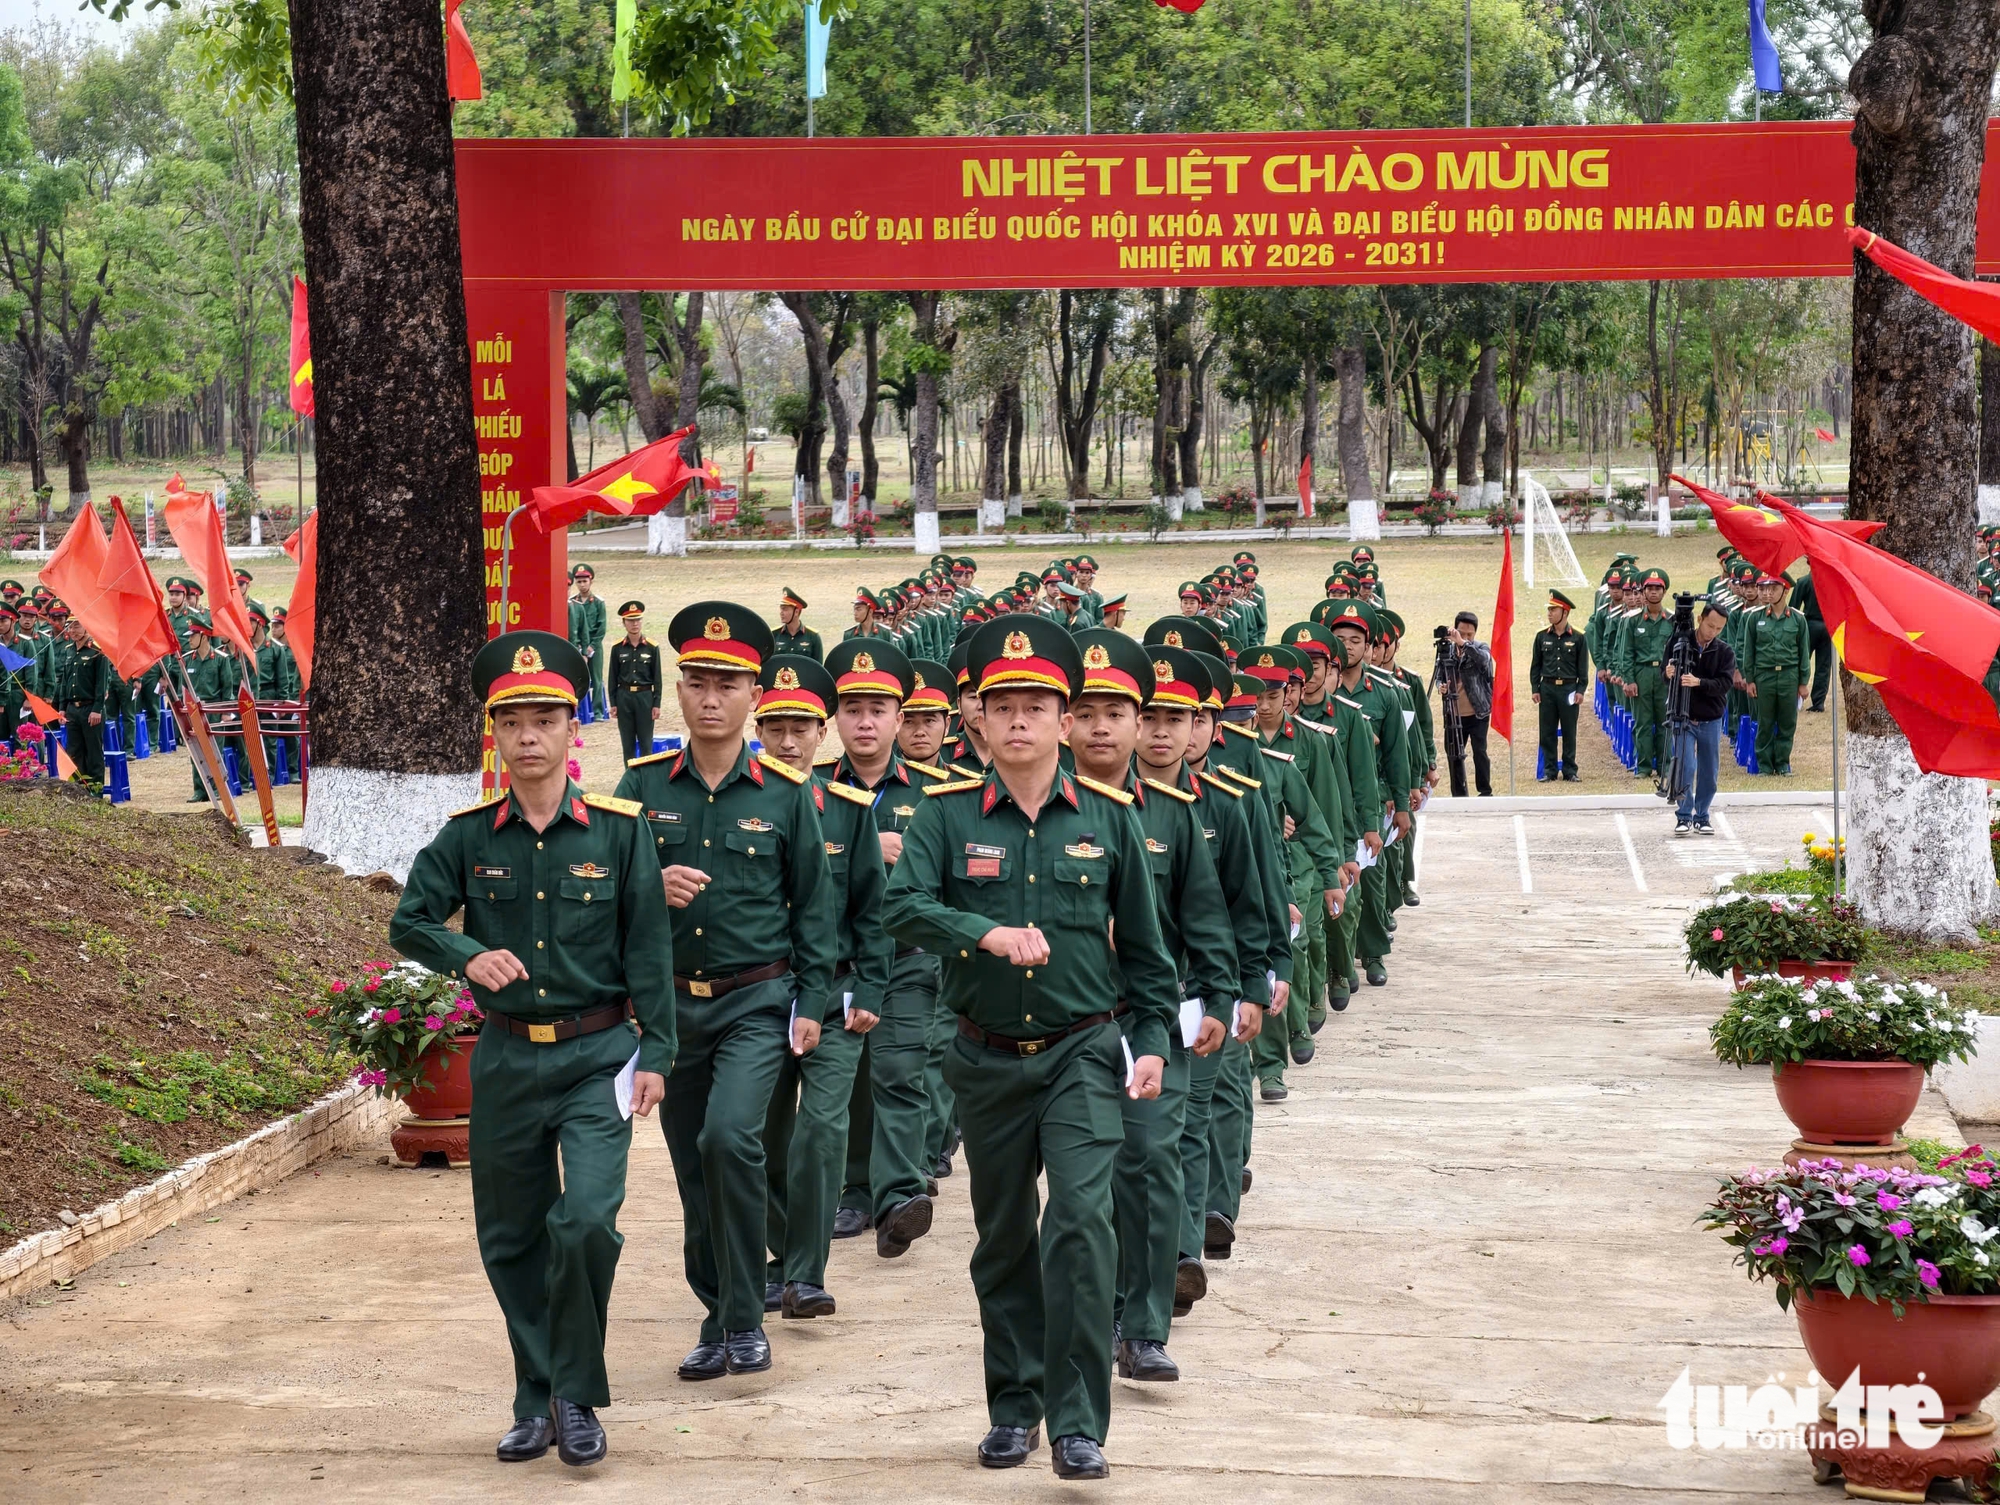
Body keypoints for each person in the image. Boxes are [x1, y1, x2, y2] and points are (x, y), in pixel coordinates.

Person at [881, 613, 1180, 1481]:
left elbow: (1149, 955)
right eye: (1001, 704)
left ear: (1062, 716)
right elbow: (899, 908)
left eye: (1036, 704)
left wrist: (1152, 1039)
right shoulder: (941, 818)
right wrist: (983, 932)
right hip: (983, 1057)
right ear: (975, 718)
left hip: (1084, 1052)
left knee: (1081, 1227)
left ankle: (1078, 1421)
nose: (1018, 719)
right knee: (1004, 1237)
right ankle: (1013, 1406)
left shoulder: (1114, 819)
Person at [388, 629, 676, 1470]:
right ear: (495, 732)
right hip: (508, 1059)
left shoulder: (621, 834)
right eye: (511, 719)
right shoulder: (469, 836)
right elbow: (408, 919)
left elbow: (650, 947)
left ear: (571, 727)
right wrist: (464, 954)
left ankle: (577, 1393)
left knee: (586, 1220)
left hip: (598, 1056)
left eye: (545, 717)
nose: (527, 734)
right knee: (512, 1236)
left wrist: (656, 1050)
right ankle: (536, 1395)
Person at [615, 602, 837, 1382]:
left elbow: (815, 906)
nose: (711, 699)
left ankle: (746, 1317)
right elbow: (598, 887)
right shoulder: (641, 786)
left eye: (728, 684)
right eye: (698, 683)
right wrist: (646, 882)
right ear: (679, 691)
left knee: (728, 1139)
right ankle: (718, 1312)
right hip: (673, 1010)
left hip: (755, 999)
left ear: (754, 695)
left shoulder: (783, 793)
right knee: (690, 1167)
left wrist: (812, 1003)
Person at [1067, 629, 1240, 1384]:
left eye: (1117, 711)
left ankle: (1142, 1325)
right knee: (1088, 1178)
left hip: (1152, 1018)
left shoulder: (1170, 813)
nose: (1102, 726)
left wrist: (1220, 999)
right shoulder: (1032, 808)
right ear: (1064, 721)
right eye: (1087, 710)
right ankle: (1094, 1306)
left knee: (1149, 1161)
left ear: (1142, 723)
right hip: (1064, 1025)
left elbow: (1205, 920)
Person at [754, 653, 892, 1320]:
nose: (788, 740)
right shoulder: (739, 810)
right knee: (765, 1134)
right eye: (775, 725)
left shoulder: (848, 811)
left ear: (823, 732)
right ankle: (777, 1253)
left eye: (801, 726)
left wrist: (871, 986)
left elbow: (872, 909)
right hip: (758, 999)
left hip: (835, 998)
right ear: (758, 727)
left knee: (819, 1129)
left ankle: (806, 1272)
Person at [818, 638, 948, 1257]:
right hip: (834, 962)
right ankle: (855, 1189)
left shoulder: (938, 791)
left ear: (901, 717)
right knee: (850, 1080)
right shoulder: (808, 792)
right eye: (852, 710)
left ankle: (897, 1194)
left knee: (897, 1068)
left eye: (878, 710)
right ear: (834, 719)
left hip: (909, 958)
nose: (865, 722)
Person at [1665, 600, 1736, 834]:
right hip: (1682, 717)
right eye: (1710, 626)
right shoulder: (1678, 643)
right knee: (1685, 766)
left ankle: (1702, 815)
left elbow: (1725, 683)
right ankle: (1683, 815)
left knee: (1709, 772)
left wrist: (1699, 683)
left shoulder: (1724, 651)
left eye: (1719, 629)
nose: (1713, 632)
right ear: (1700, 620)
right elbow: (1663, 676)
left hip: (1710, 719)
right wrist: (1667, 673)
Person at [1743, 571, 1811, 776]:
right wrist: (1750, 680)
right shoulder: (1755, 618)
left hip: (1789, 676)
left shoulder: (1798, 620)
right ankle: (1764, 764)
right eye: (1763, 588)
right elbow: (1749, 651)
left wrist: (1803, 682)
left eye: (1773, 588)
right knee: (1765, 721)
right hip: (1764, 676)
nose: (1767, 593)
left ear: (1785, 590)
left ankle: (1782, 763)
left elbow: (1803, 653)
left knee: (1787, 721)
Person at [1528, 591, 1589, 782]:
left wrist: (1580, 690)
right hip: (1547, 688)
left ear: (1565, 612)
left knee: (1569, 731)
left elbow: (1583, 669)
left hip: (1569, 689)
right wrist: (1535, 688)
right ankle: (1549, 770)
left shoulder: (1579, 638)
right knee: (1547, 731)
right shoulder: (1541, 637)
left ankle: (1570, 770)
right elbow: (1535, 666)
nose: (1550, 613)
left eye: (1554, 609)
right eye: (1549, 609)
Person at [1433, 612, 1494, 797]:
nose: (1465, 637)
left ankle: (1485, 791)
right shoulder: (1447, 651)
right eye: (1461, 633)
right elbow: (1438, 675)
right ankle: (1459, 794)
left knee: (1480, 753)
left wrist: (1463, 643)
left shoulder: (1480, 648)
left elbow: (1484, 660)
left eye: (1470, 635)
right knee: (1454, 756)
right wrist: (1440, 686)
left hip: (1478, 713)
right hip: (1454, 713)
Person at [607, 601, 663, 766]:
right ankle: (630, 780)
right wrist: (614, 702)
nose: (635, 624)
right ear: (624, 623)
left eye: (638, 619)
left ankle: (646, 779)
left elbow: (658, 678)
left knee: (646, 743)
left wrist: (656, 703)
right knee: (627, 744)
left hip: (644, 697)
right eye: (630, 620)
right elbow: (613, 676)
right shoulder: (617, 648)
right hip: (624, 697)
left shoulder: (652, 647)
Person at [566, 565, 608, 716]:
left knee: (596, 679)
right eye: (579, 582)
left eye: (585, 581)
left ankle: (597, 711)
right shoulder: (572, 602)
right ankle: (581, 711)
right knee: (579, 678)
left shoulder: (598, 602)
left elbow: (602, 627)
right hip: (577, 645)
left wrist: (591, 646)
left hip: (595, 646)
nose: (582, 585)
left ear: (591, 582)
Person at [771, 586, 824, 662]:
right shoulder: (774, 635)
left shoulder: (813, 637)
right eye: (781, 608)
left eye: (785, 609)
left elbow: (819, 668)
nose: (781, 613)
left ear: (796, 612)